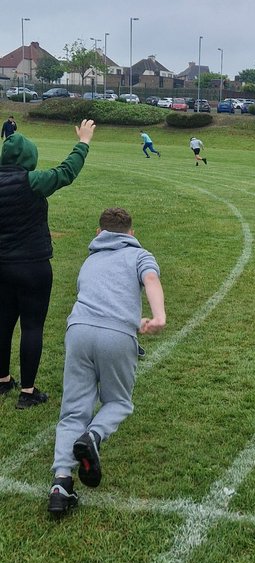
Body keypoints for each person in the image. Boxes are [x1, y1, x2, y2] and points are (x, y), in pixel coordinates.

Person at [48, 206, 166, 518]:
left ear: (100, 233)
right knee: (118, 402)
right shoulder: (140, 255)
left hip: (78, 331)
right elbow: (151, 279)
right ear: (132, 232)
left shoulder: (90, 258)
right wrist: (159, 316)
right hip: (116, 334)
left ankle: (60, 485)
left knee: (73, 410)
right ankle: (93, 436)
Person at [0, 120, 96, 407]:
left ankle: (2, 381)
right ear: (29, 158)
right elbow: (66, 172)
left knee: (2, 324)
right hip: (33, 265)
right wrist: (84, 142)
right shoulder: (33, 182)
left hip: (1, 266)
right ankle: (27, 393)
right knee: (32, 326)